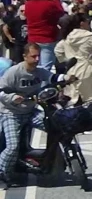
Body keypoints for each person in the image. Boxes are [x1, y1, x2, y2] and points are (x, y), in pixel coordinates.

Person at [0, 43, 75, 188]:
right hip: (11, 113)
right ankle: (2, 173)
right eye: (33, 56)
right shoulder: (14, 72)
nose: (36, 59)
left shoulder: (39, 71)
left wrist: (67, 77)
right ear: (24, 56)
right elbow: (1, 91)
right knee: (12, 146)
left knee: (55, 127)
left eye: (38, 56)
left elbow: (53, 77)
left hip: (31, 111)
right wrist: (13, 97)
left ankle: (53, 161)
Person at [24, 0, 65, 71]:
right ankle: (43, 84)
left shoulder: (28, 4)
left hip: (32, 37)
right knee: (45, 68)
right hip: (47, 38)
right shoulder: (50, 4)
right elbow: (61, 12)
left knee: (35, 66)